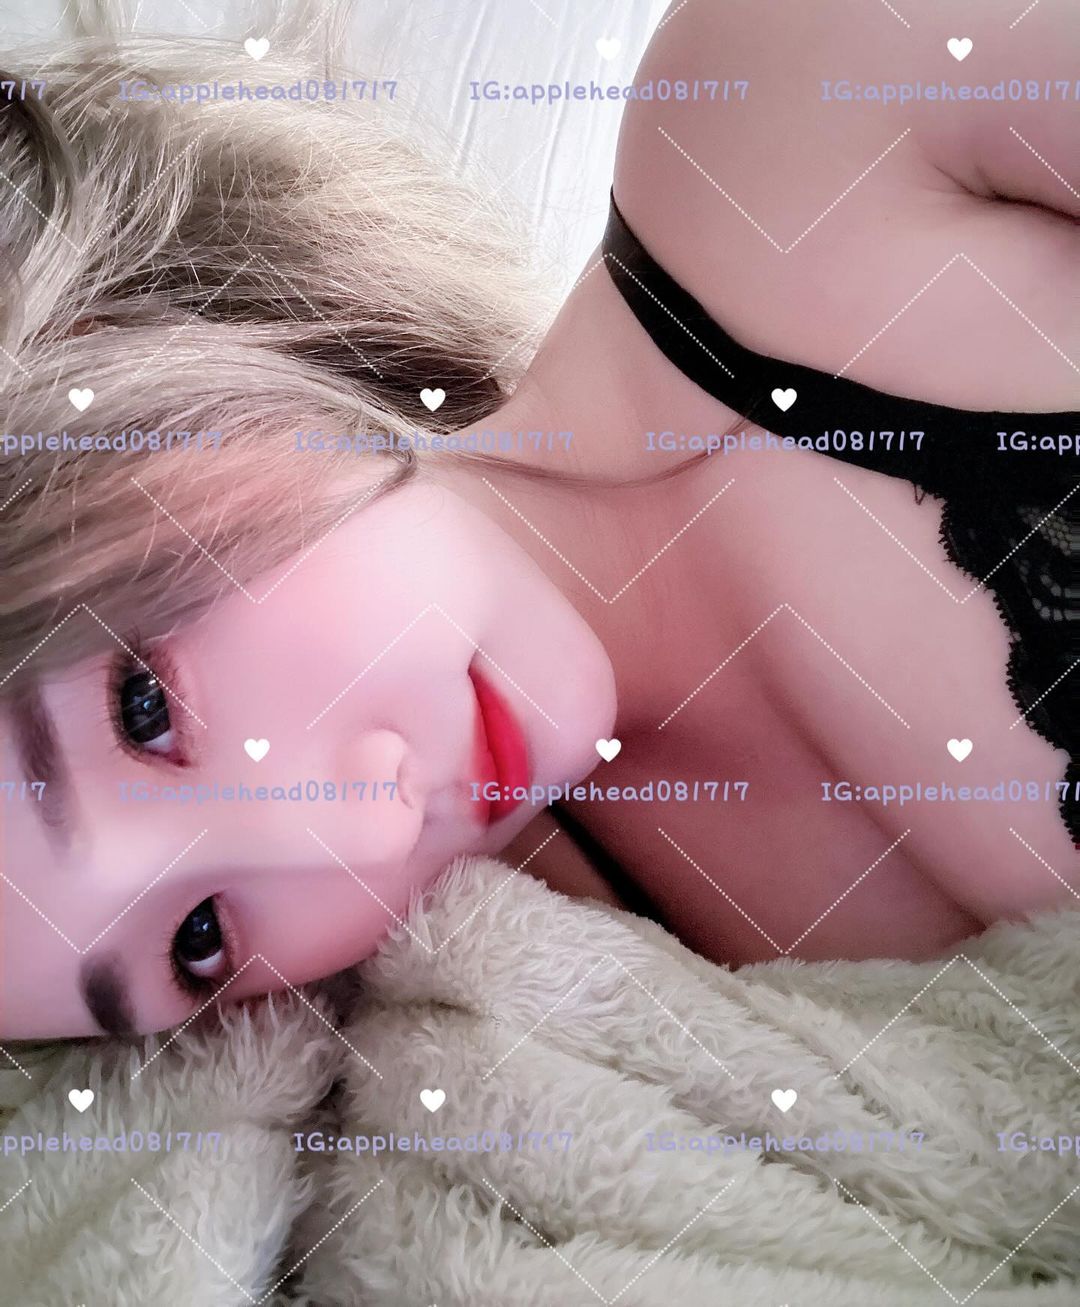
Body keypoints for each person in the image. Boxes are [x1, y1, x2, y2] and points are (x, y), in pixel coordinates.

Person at [2, 0, 1075, 1038]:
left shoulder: (792, 114)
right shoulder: (561, 1012)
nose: (369, 825)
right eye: (198, 939)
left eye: (144, 708)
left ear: (112, 366)